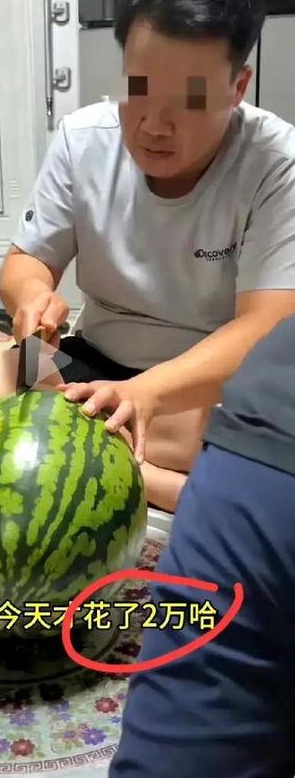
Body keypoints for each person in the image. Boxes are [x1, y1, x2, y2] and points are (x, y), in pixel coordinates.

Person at [0, 0, 295, 511]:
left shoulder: (275, 161)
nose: (154, 125)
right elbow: (24, 264)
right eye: (138, 90)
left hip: (200, 385)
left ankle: (94, 463)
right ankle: (155, 481)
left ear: (238, 87)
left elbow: (265, 324)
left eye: (190, 98)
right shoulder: (82, 138)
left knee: (266, 425)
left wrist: (144, 394)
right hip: (96, 366)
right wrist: (32, 297)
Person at [107, 313, 295, 777]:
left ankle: (134, 475)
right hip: (257, 444)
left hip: (249, 443)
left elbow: (266, 315)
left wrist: (144, 391)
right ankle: (135, 473)